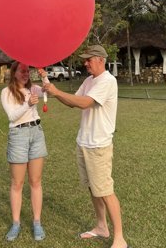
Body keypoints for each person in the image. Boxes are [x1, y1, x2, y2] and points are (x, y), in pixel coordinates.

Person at [44, 45, 129, 248]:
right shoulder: (89, 80)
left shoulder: (108, 81)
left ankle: (120, 238)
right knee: (94, 189)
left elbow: (84, 103)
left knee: (106, 191)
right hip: (84, 142)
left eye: (88, 59)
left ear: (100, 59)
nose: (85, 63)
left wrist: (55, 91)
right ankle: (101, 227)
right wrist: (49, 86)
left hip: (98, 145)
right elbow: (73, 102)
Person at [0, 61, 49, 242]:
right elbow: (12, 116)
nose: (26, 74)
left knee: (35, 181)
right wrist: (27, 104)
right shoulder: (6, 92)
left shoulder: (34, 89)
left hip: (36, 133)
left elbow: (48, 90)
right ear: (13, 73)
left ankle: (37, 222)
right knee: (17, 183)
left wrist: (44, 75)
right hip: (18, 135)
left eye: (28, 71)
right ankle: (16, 223)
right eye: (22, 71)